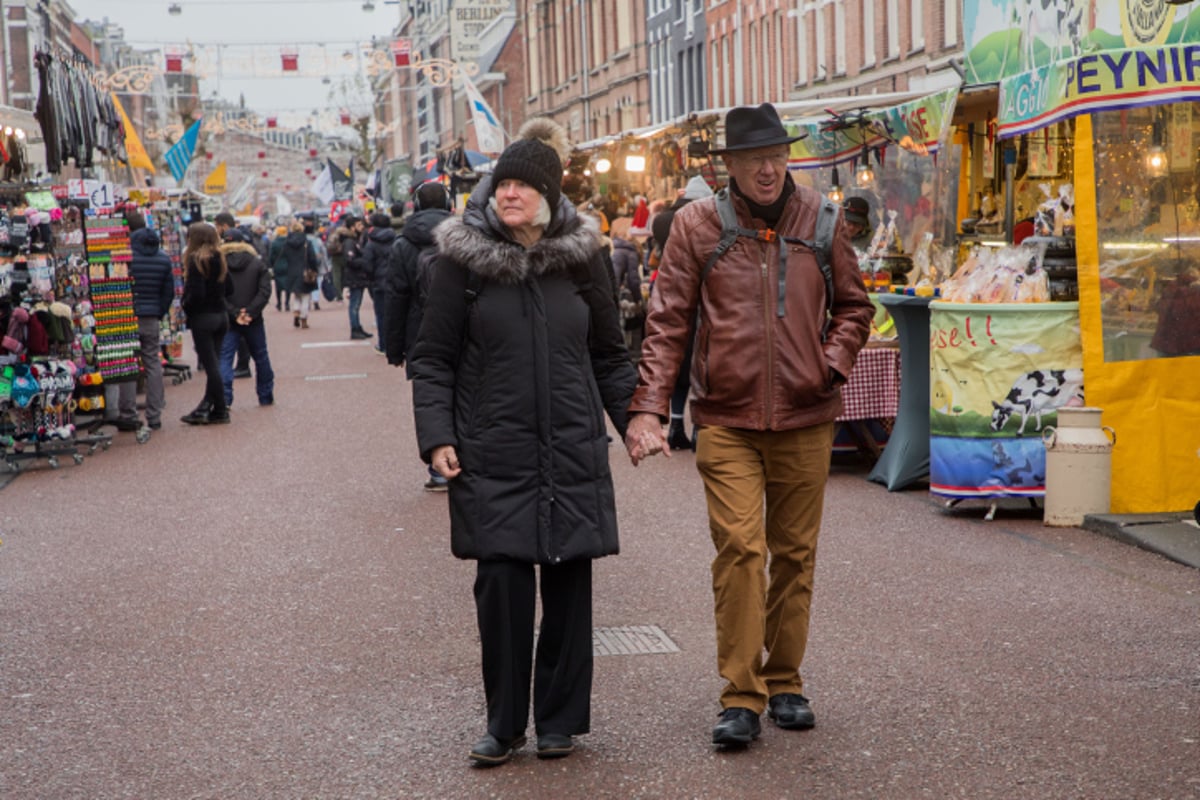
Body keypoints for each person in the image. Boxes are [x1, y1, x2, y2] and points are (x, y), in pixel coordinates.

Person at [623, 103, 874, 747]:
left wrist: (831, 365)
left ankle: (785, 680)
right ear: (728, 167)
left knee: (794, 555)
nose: (767, 169)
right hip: (727, 418)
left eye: (775, 156)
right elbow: (669, 318)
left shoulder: (821, 219)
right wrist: (649, 407)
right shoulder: (696, 225)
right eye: (751, 159)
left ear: (788, 158)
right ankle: (741, 694)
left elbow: (854, 306)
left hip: (805, 415)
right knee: (740, 550)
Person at [410, 117, 637, 767]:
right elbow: (432, 359)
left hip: (570, 445)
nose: (508, 193)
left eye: (522, 184)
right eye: (501, 183)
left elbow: (610, 356)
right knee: (502, 590)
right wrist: (437, 437)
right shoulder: (463, 261)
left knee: (569, 588)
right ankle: (504, 723)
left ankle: (559, 720)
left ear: (549, 194)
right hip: (492, 450)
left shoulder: (583, 257)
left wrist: (636, 421)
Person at [384, 180, 454, 491]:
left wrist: (394, 347)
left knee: (428, 395)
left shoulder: (403, 244)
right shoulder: (464, 235)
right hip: (458, 325)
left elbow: (395, 297)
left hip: (419, 329)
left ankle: (438, 467)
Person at [115, 210, 174, 432]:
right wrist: (158, 312)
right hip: (151, 317)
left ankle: (128, 414)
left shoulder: (125, 256)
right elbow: (168, 292)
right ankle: (154, 414)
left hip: (127, 316)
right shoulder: (163, 259)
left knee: (128, 365)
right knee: (153, 363)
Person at [180, 222, 234, 425]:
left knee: (211, 366)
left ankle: (220, 410)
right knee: (215, 364)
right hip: (221, 316)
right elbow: (230, 288)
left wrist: (186, 305)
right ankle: (210, 407)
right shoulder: (220, 258)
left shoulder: (196, 260)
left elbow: (197, 294)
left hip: (203, 318)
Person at [218, 228, 275, 408]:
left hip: (229, 320)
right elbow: (265, 291)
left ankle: (225, 398)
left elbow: (218, 294)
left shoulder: (220, 265)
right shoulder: (256, 263)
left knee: (225, 358)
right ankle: (265, 395)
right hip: (254, 319)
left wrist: (235, 313)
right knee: (261, 356)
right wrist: (250, 311)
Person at [213, 212, 253, 378]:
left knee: (229, 345)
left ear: (223, 226)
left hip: (230, 302)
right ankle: (243, 365)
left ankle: (226, 391)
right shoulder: (251, 255)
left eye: (217, 226)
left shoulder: (221, 258)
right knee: (253, 345)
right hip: (248, 301)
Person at [361, 212, 396, 353]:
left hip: (379, 283)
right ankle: (397, 345)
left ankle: (384, 345)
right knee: (396, 314)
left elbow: (367, 265)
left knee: (381, 316)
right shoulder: (397, 240)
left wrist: (371, 279)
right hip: (395, 282)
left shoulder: (371, 244)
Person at [281, 220, 319, 329]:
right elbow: (312, 258)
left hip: (292, 272)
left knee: (297, 295)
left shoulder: (287, 243)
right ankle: (304, 319)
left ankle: (296, 313)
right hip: (305, 271)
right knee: (306, 296)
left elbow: (284, 257)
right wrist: (314, 269)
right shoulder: (307, 242)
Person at [341, 216, 372, 339]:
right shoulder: (349, 242)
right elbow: (350, 260)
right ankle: (355, 328)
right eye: (359, 225)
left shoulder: (355, 240)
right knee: (354, 304)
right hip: (354, 277)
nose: (362, 227)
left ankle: (358, 326)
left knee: (356, 303)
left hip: (357, 276)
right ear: (352, 227)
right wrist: (363, 261)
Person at [268, 225, 290, 311]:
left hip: (277, 266)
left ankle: (279, 303)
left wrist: (272, 264)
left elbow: (271, 256)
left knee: (278, 286)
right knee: (288, 285)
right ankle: (287, 303)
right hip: (288, 266)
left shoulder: (274, 243)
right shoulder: (289, 242)